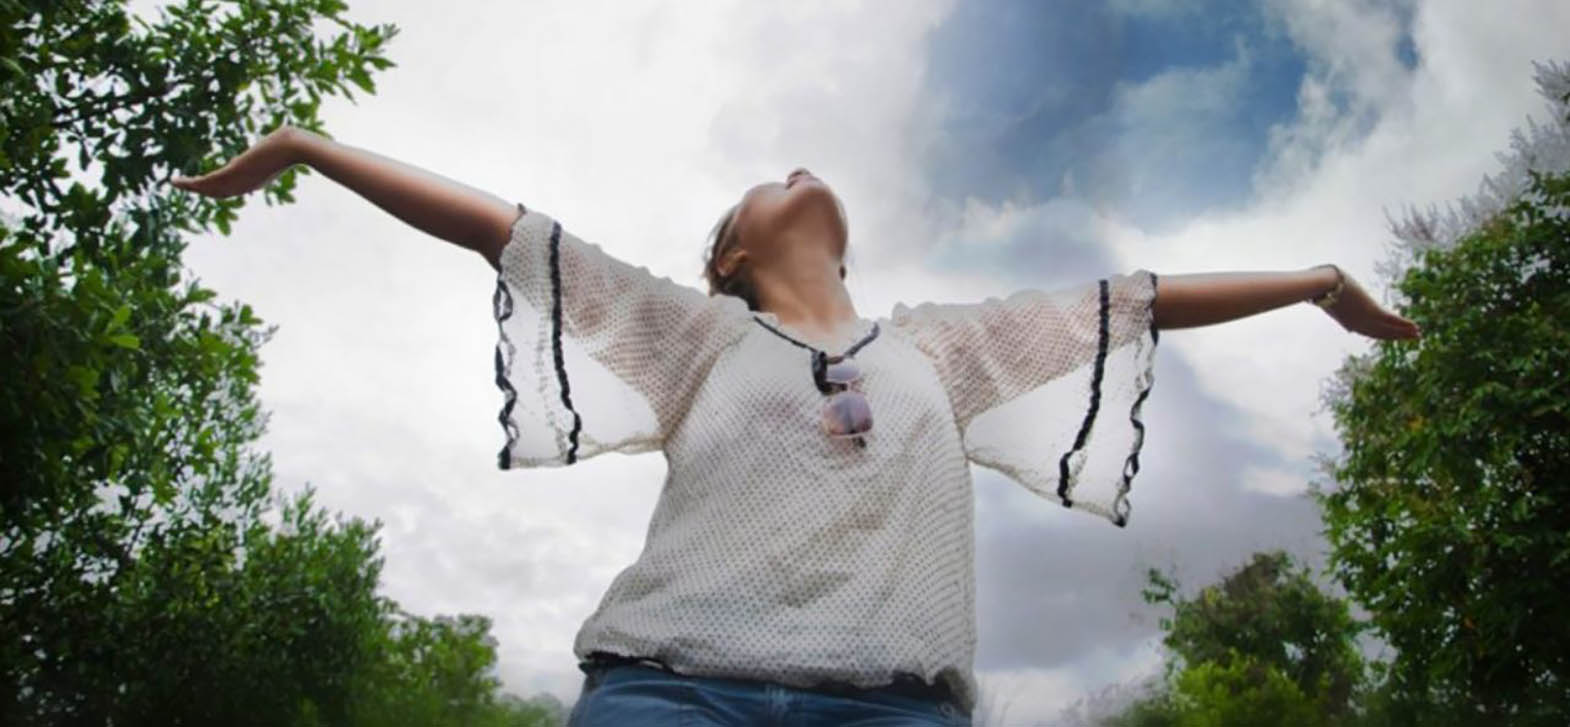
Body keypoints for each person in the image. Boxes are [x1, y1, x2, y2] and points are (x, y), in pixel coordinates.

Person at [171, 126, 1421, 726]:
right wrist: (307, 149)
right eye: (764, 183)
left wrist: (1313, 282)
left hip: (892, 709)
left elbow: (1135, 302)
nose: (795, 165)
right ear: (730, 251)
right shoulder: (692, 331)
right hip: (669, 697)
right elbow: (502, 229)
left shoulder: (943, 345)